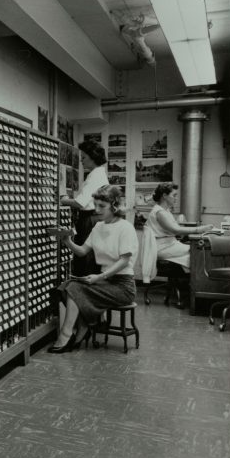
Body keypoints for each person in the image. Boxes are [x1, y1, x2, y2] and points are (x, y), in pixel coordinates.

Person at [48, 185, 139, 353]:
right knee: (64, 287)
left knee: (74, 288)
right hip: (105, 281)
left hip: (122, 286)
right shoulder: (98, 227)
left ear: (114, 205)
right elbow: (82, 251)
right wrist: (67, 240)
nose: (96, 210)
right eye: (95, 205)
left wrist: (100, 277)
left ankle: (66, 336)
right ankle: (84, 328)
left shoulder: (125, 228)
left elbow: (125, 261)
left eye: (101, 206)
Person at [59, 139, 109, 276]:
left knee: (86, 260)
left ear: (93, 157)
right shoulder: (98, 173)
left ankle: (83, 292)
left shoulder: (95, 176)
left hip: (90, 220)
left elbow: (80, 202)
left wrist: (63, 200)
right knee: (91, 258)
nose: (81, 161)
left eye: (84, 157)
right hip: (96, 218)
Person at [144, 182, 214, 271]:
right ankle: (196, 281)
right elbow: (175, 230)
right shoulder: (160, 212)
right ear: (165, 196)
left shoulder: (164, 210)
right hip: (162, 247)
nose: (176, 198)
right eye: (174, 195)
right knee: (198, 251)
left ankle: (193, 279)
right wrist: (200, 229)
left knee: (199, 250)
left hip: (167, 245)